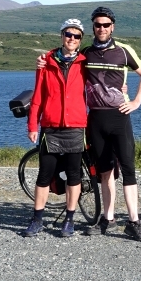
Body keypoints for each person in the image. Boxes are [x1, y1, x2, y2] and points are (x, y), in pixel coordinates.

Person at [81, 6, 141, 241]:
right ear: (93, 27)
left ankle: (134, 222)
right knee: (105, 171)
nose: (101, 28)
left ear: (113, 27)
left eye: (106, 25)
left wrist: (136, 101)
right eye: (98, 24)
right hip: (96, 118)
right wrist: (43, 61)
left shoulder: (123, 51)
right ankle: (108, 219)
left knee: (129, 169)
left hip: (119, 116)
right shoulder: (86, 53)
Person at [22, 18, 88, 238]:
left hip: (76, 125)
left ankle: (69, 219)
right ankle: (37, 219)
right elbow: (38, 96)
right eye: (68, 34)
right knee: (44, 175)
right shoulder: (47, 62)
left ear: (80, 40)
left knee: (73, 175)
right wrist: (32, 124)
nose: (71, 39)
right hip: (50, 126)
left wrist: (122, 88)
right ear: (62, 36)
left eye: (76, 36)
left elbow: (101, 84)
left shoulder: (85, 62)